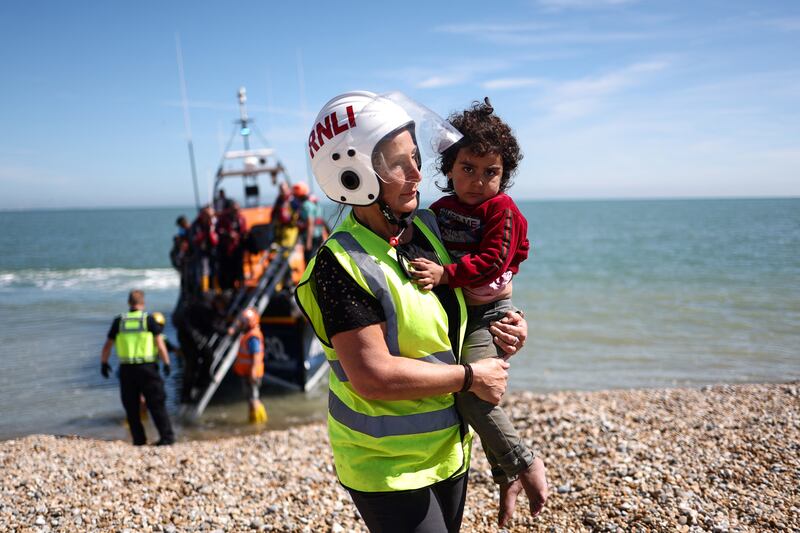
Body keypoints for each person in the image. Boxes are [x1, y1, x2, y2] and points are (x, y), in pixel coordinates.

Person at [295, 91, 538, 532]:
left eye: (415, 158)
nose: (416, 176)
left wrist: (511, 322)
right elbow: (372, 376)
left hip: (448, 451)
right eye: (395, 164)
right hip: (386, 465)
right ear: (353, 175)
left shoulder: (427, 227)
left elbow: (467, 307)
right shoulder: (339, 265)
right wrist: (471, 378)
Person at [409, 98, 547, 521]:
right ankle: (505, 472)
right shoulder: (439, 211)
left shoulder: (501, 210)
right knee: (457, 398)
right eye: (467, 168)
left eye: (492, 173)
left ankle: (523, 462)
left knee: (472, 391)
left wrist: (447, 275)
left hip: (489, 315)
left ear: (505, 176)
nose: (478, 181)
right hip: (458, 314)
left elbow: (495, 261)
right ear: (449, 167)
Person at [100, 290, 175, 446]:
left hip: (127, 370)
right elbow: (160, 344)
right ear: (143, 303)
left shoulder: (119, 321)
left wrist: (104, 363)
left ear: (129, 303)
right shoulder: (148, 320)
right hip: (147, 369)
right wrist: (167, 363)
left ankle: (139, 440)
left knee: (131, 406)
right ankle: (166, 438)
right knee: (156, 404)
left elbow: (108, 345)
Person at [228, 307, 268, 424]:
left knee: (254, 398)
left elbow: (256, 356)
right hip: (247, 372)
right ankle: (253, 420)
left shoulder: (253, 337)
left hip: (252, 373)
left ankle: (259, 422)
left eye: (243, 322)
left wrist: (253, 372)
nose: (241, 324)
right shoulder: (248, 334)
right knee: (251, 398)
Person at [291, 182, 326, 262]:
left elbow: (310, 223)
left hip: (311, 238)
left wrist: (308, 242)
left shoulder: (306, 205)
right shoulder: (315, 203)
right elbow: (320, 221)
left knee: (309, 261)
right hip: (319, 236)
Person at [217, 200, 248, 289]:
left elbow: (243, 232)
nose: (236, 211)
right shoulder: (223, 218)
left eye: (237, 209)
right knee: (228, 272)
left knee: (239, 270)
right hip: (226, 250)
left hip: (238, 249)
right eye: (234, 209)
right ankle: (230, 289)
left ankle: (241, 289)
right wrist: (228, 234)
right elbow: (219, 230)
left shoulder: (241, 219)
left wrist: (241, 237)